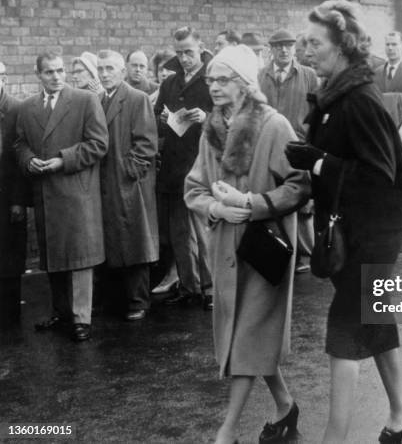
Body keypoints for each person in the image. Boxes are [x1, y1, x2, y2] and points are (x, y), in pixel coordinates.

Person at [285, 1, 402, 443]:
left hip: (370, 239)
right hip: (348, 234)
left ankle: (334, 437)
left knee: (344, 330)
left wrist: (319, 162)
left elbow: (381, 177)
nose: (307, 50)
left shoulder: (359, 100)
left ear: (343, 47)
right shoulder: (334, 97)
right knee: (373, 320)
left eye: (316, 43)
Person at [184, 44, 309, 444]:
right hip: (225, 248)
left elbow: (300, 183)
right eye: (211, 79)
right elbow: (195, 188)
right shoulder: (211, 131)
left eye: (223, 79)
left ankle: (228, 430)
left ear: (244, 82)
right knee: (251, 336)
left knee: (247, 335)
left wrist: (253, 204)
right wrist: (216, 209)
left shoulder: (273, 125)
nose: (214, 86)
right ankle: (286, 406)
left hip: (264, 249)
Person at [14, 51, 108, 342]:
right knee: (54, 253)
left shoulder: (84, 100)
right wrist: (29, 160)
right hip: (45, 192)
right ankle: (61, 311)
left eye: (59, 71)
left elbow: (98, 144)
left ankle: (82, 318)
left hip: (76, 191)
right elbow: (20, 142)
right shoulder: (28, 107)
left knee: (80, 256)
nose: (56, 77)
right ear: (37, 74)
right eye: (49, 72)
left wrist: (61, 160)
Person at [96, 50, 159, 321]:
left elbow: (146, 143)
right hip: (104, 182)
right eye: (101, 69)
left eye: (110, 68)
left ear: (122, 72)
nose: (105, 73)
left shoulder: (137, 99)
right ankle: (115, 300)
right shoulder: (97, 100)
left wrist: (128, 172)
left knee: (134, 241)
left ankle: (138, 301)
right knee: (111, 241)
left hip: (128, 183)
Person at [154, 27, 213, 308]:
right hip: (176, 167)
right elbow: (155, 120)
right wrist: (165, 120)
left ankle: (211, 289)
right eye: (179, 53)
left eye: (189, 52)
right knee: (180, 232)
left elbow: (231, 119)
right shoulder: (170, 83)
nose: (185, 58)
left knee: (204, 230)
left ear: (200, 48)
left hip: (202, 164)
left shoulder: (212, 79)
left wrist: (206, 117)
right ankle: (189, 287)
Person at [259, 29, 318, 274]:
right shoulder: (261, 76)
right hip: (270, 145)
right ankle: (280, 250)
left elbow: (317, 111)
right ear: (271, 49)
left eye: (288, 45)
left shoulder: (308, 75)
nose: (283, 50)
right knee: (274, 197)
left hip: (300, 145)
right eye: (278, 46)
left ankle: (306, 254)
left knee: (302, 200)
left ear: (295, 49)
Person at [0, 62, 26, 328]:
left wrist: (18, 200)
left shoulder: (16, 110)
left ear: (3, 78)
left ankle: (9, 318)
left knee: (8, 256)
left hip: (7, 196)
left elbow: (20, 157)